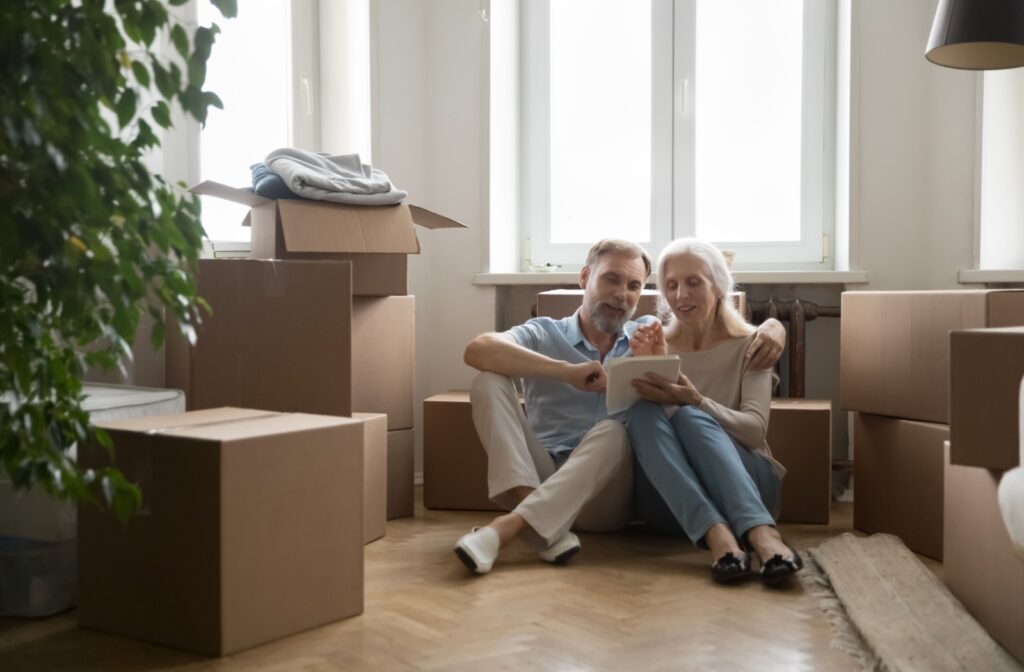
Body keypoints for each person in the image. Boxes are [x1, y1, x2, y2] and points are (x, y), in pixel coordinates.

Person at [453, 238, 787, 574]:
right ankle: (540, 522)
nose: (621, 294)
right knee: (488, 381)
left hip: (606, 491)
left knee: (623, 428)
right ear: (585, 277)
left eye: (634, 285)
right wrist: (566, 373)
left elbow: (693, 405)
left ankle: (506, 528)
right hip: (542, 473)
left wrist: (775, 327)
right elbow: (477, 350)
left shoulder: (648, 337)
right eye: (611, 279)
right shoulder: (545, 332)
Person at [626, 237, 800, 585]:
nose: (680, 295)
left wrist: (696, 401)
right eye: (671, 285)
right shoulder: (650, 343)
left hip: (750, 491)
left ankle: (761, 535)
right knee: (641, 414)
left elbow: (753, 432)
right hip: (675, 503)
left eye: (694, 282)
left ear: (719, 285)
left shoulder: (753, 345)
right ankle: (718, 536)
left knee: (691, 415)